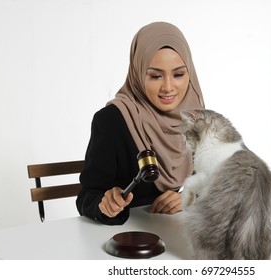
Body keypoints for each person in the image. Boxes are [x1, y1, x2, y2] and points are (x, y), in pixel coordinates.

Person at [76, 22, 205, 225]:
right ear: (138, 73)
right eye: (155, 76)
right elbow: (87, 197)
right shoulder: (112, 121)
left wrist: (188, 198)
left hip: (177, 233)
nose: (168, 87)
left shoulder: (196, 120)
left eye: (178, 74)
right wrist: (105, 204)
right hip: (125, 238)